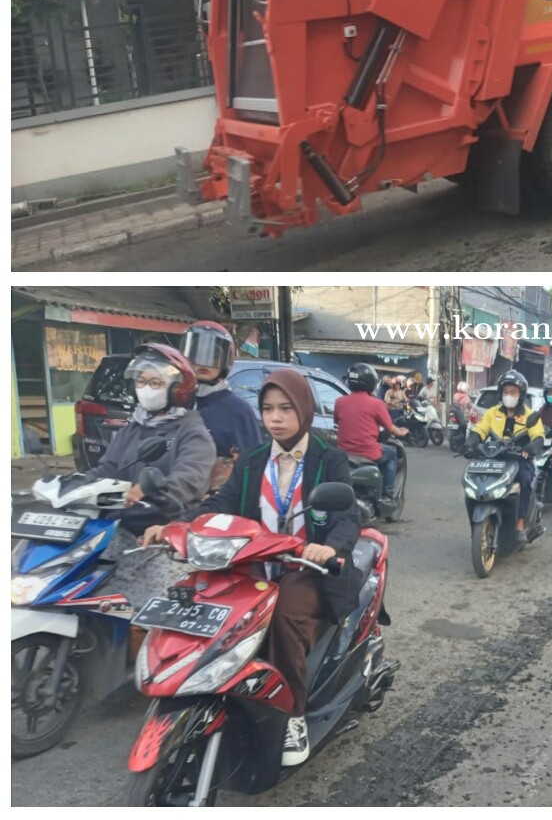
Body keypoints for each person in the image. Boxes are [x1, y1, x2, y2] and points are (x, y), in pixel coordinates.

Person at [142, 369, 362, 768]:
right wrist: (177, 527)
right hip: (251, 567)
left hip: (305, 570)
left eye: (285, 408)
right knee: (204, 606)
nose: (275, 418)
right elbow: (219, 505)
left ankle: (293, 715)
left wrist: (327, 548)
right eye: (267, 409)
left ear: (305, 410)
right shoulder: (254, 460)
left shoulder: (328, 459)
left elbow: (347, 516)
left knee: (284, 618)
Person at [82, 345, 217, 609]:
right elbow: (107, 468)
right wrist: (74, 485)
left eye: (156, 382)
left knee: (156, 610)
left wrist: (151, 489)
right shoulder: (133, 429)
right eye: (142, 381)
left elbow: (187, 480)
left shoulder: (192, 433)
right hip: (119, 531)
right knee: (82, 590)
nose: (146, 388)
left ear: (177, 389)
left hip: (164, 537)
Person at [179, 321, 262, 490]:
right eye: (196, 354)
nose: (203, 363)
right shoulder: (176, 403)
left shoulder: (238, 411)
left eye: (212, 356)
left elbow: (253, 467)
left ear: (226, 361)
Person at [465, 370, 545, 544]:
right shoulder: (492, 413)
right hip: (493, 459)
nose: (509, 395)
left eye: (513, 392)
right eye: (506, 392)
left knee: (524, 480)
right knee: (472, 483)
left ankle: (520, 524)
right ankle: (476, 526)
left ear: (521, 394)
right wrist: (471, 443)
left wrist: (530, 448)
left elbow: (538, 437)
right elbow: (479, 430)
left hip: (519, 460)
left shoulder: (530, 416)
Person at [335, 362, 409, 501]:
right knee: (392, 454)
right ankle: (388, 493)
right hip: (368, 452)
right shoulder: (376, 404)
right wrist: (402, 432)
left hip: (344, 453)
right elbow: (390, 428)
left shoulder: (339, 402)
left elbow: (337, 421)